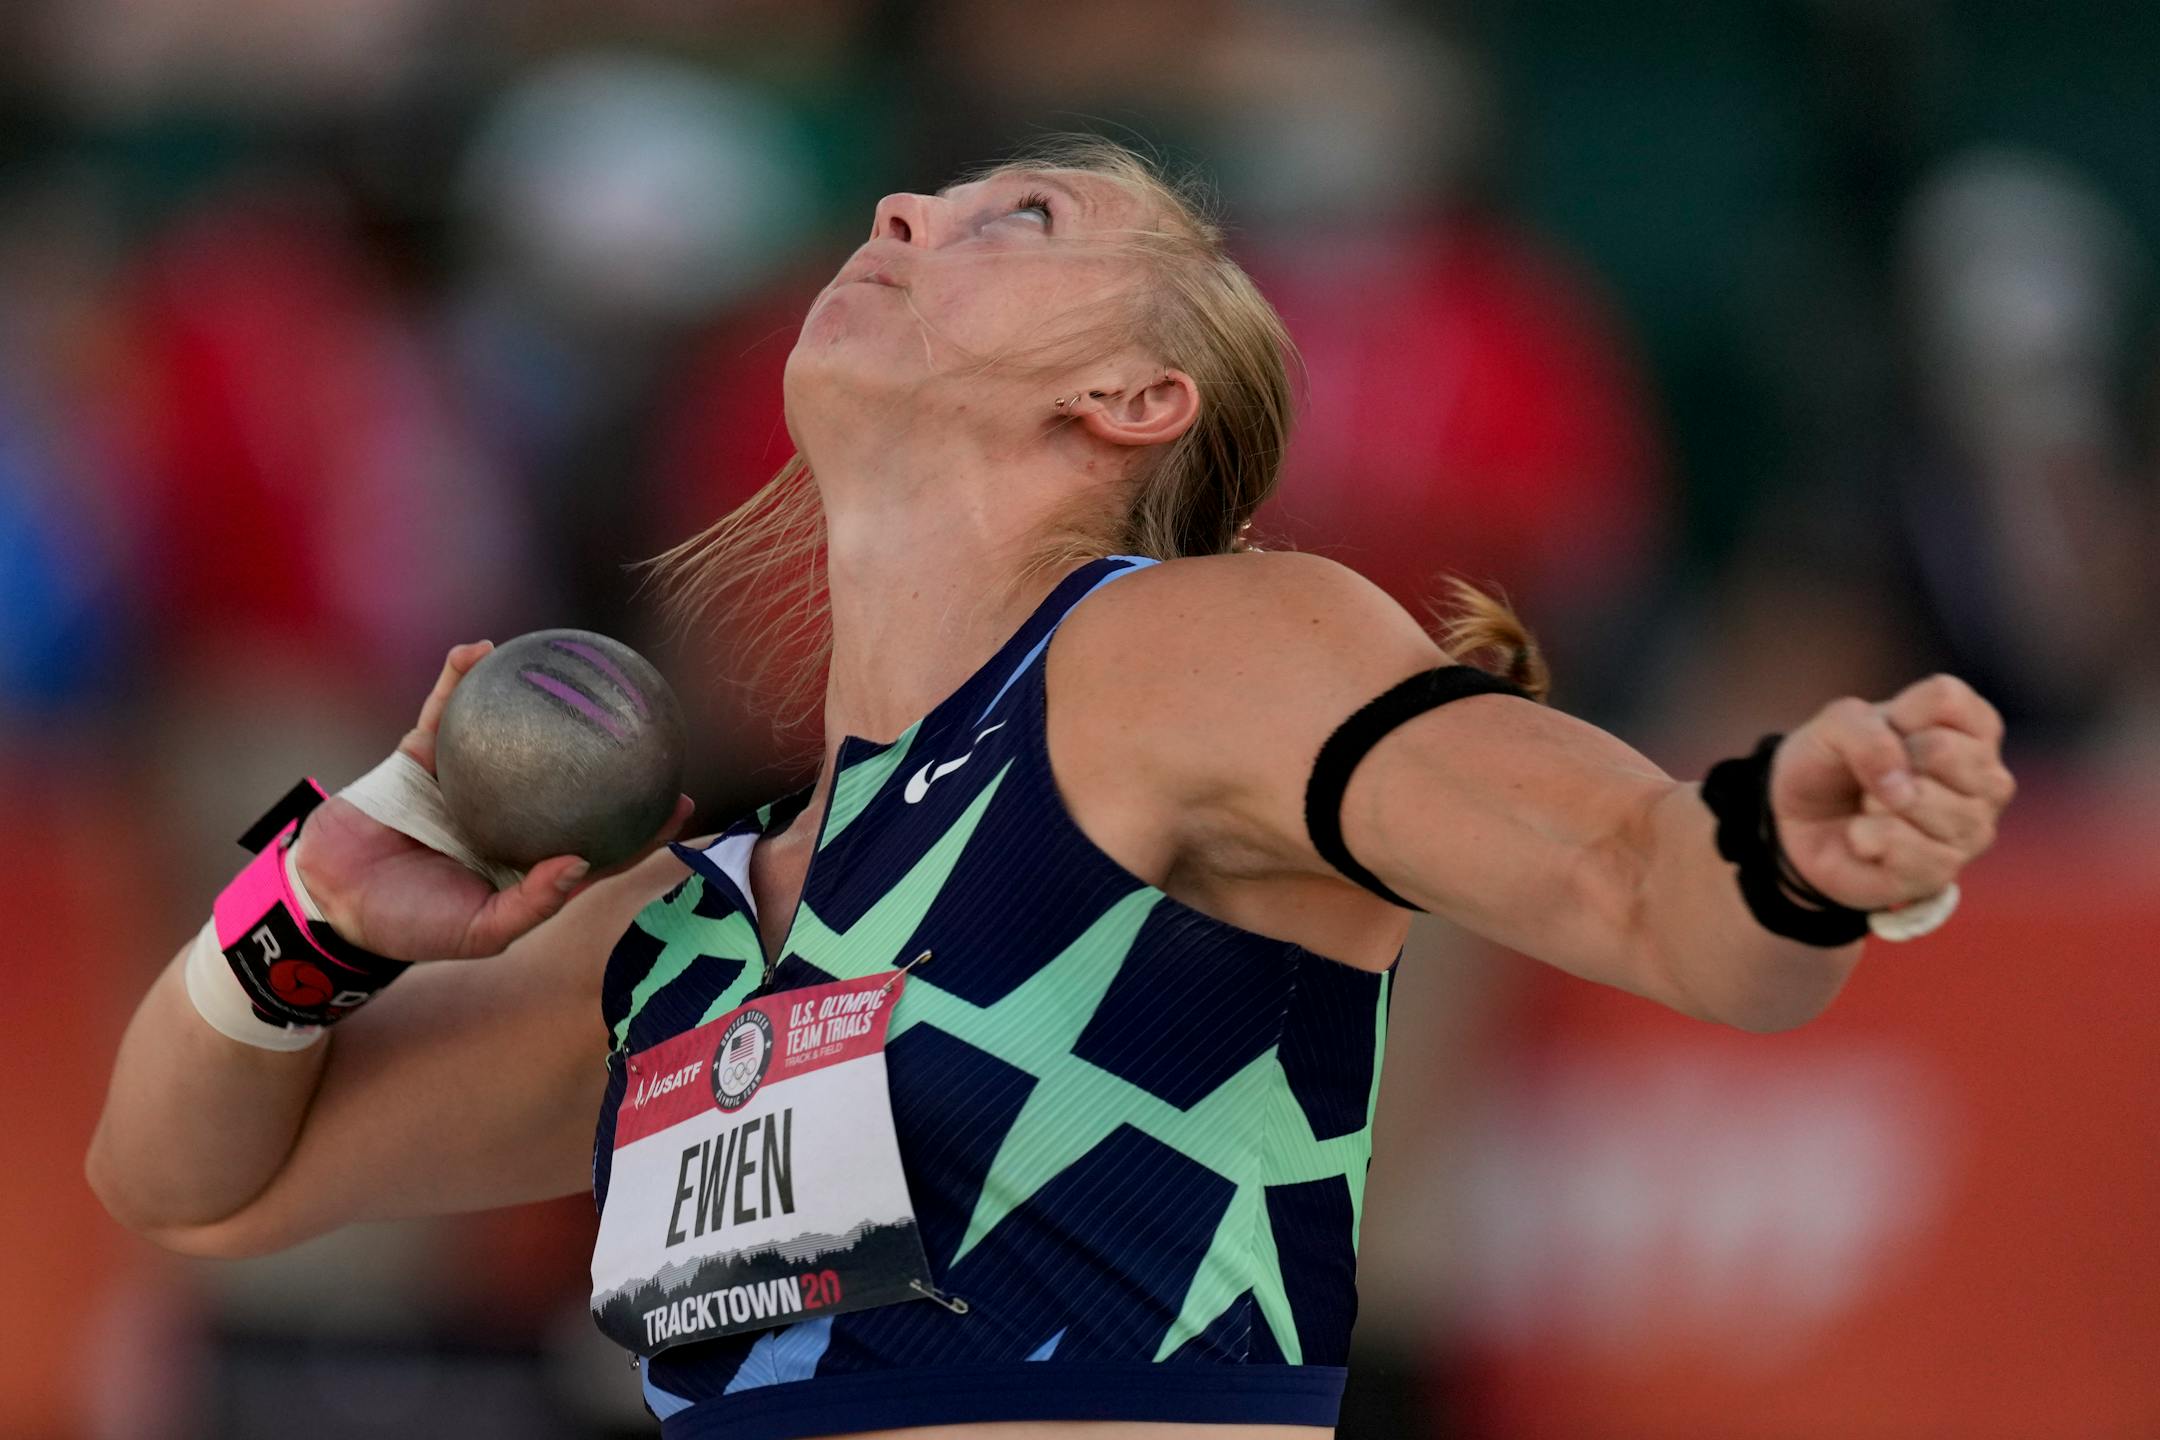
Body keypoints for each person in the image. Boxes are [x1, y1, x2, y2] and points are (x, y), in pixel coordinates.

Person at [87, 137, 2015, 1440]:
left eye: (1023, 223)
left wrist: (1784, 852)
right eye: (927, 198)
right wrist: (308, 919)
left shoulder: (1190, 658)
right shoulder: (690, 931)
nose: (909, 205)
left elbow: (1643, 893)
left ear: (1134, 402)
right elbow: (191, 1184)